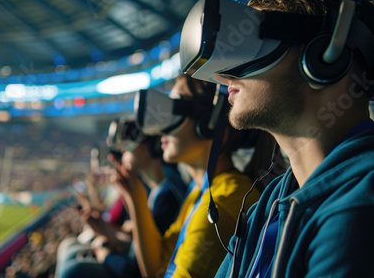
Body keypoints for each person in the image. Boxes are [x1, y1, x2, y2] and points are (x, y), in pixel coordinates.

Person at [179, 0, 374, 277]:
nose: (221, 76)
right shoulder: (270, 202)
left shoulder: (360, 203)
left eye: (249, 47)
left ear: (327, 54)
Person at [109, 75, 264, 278]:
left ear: (210, 121)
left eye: (175, 108)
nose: (160, 127)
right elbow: (158, 267)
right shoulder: (198, 191)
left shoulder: (224, 201)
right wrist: (136, 197)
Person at [56, 118, 188, 278]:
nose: (122, 149)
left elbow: (140, 270)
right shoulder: (157, 192)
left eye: (129, 141)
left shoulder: (166, 198)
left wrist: (106, 254)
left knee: (71, 270)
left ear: (150, 146)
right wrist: (109, 235)